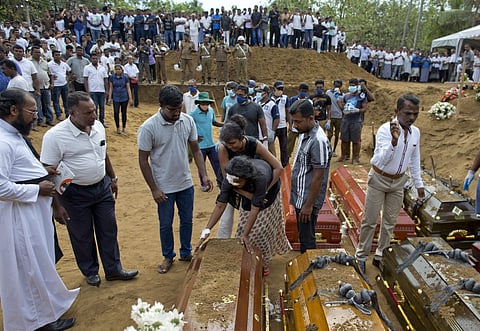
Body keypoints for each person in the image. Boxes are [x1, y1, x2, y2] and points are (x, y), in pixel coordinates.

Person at [40, 91, 138, 287]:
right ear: (73, 112)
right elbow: (46, 173)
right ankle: (90, 271)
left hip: (102, 188)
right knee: (81, 235)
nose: (94, 116)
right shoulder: (54, 136)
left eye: (94, 111)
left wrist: (113, 178)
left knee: (109, 229)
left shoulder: (98, 126)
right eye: (88, 113)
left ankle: (113, 269)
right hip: (74, 194)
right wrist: (56, 206)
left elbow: (103, 153)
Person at [0, 88, 78, 331]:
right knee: (27, 269)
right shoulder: (2, 142)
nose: (36, 115)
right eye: (32, 111)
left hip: (32, 214)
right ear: (14, 111)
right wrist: (36, 190)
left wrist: (44, 173)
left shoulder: (13, 136)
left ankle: (45, 314)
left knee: (38, 264)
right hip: (19, 219)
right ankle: (36, 322)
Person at [138, 85, 213, 274]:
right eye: (172, 109)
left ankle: (185, 251)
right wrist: (154, 188)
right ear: (161, 105)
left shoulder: (187, 121)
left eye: (179, 108)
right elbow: (143, 159)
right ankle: (168, 256)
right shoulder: (148, 127)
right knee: (165, 223)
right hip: (164, 186)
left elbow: (196, 149)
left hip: (185, 182)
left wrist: (203, 174)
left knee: (187, 220)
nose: (177, 113)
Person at [355, 94, 424, 273]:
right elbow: (379, 160)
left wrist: (419, 185)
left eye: (415, 114)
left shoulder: (415, 132)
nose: (411, 118)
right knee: (369, 220)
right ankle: (361, 256)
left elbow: (414, 159)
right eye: (408, 113)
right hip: (379, 179)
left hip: (398, 182)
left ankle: (381, 254)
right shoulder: (386, 130)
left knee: (389, 222)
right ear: (397, 111)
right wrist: (394, 142)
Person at [198, 155, 290, 276]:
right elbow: (220, 205)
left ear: (246, 178)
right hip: (250, 193)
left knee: (259, 232)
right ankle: (247, 262)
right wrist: (207, 229)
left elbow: (255, 208)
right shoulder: (230, 178)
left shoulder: (260, 178)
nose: (234, 184)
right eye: (232, 182)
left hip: (268, 194)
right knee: (242, 232)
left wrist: (246, 235)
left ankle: (262, 262)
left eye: (238, 182)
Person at [289, 98, 332, 253]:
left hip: (308, 200)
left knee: (308, 240)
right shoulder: (305, 133)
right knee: (304, 235)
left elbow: (318, 177)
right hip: (301, 196)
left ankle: (310, 270)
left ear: (311, 118)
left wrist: (308, 206)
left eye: (298, 122)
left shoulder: (318, 141)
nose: (295, 125)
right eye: (293, 121)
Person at [189, 91, 223, 186]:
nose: (205, 105)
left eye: (206, 103)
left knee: (217, 163)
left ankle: (220, 181)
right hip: (200, 146)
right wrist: (194, 137)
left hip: (211, 143)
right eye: (203, 103)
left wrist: (224, 124)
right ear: (199, 103)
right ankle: (203, 184)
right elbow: (188, 127)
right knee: (201, 166)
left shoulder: (211, 111)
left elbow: (214, 122)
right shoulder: (193, 114)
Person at [337, 78, 368, 164]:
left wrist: (357, 110)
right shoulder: (346, 96)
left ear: (357, 86)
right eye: (350, 85)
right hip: (346, 120)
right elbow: (343, 107)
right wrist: (339, 103)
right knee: (344, 139)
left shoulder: (361, 96)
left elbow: (365, 108)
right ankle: (344, 155)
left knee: (356, 140)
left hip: (356, 121)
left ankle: (355, 157)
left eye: (353, 85)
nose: (351, 87)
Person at [83, 53, 109, 127]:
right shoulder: (87, 68)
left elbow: (105, 79)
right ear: (90, 59)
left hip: (101, 90)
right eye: (93, 58)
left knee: (102, 107)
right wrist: (87, 91)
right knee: (94, 107)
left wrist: (106, 90)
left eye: (96, 58)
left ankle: (102, 121)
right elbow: (85, 79)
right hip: (93, 90)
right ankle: (95, 122)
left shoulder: (102, 68)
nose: (95, 60)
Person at [108, 64, 133, 134]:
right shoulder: (112, 77)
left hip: (124, 97)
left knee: (124, 112)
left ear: (122, 70)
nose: (118, 71)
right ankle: (118, 127)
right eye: (116, 69)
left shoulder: (125, 78)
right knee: (116, 112)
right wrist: (109, 97)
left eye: (119, 69)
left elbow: (128, 88)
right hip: (116, 97)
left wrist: (130, 98)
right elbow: (111, 88)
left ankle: (124, 127)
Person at [325, 79, 343, 157]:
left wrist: (338, 97)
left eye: (338, 85)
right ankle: (328, 149)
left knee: (336, 134)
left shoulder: (342, 95)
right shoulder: (328, 93)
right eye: (336, 85)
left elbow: (342, 107)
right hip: (330, 116)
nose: (337, 86)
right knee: (329, 134)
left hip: (339, 116)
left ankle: (334, 150)